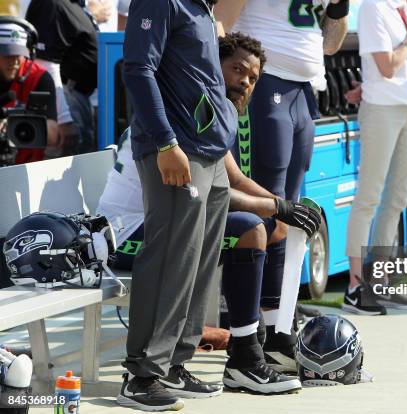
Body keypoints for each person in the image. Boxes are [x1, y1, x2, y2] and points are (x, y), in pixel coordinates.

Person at [101, 33, 320, 395]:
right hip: (123, 237)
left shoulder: (211, 114)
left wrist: (285, 210)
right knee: (250, 228)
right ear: (210, 68)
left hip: (168, 225)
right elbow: (210, 193)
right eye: (236, 70)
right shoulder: (187, 110)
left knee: (261, 227)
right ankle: (235, 359)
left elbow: (233, 179)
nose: (244, 82)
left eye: (252, 78)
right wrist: (278, 206)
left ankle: (254, 351)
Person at [116, 0, 245, 409]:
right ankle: (141, 374)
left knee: (198, 262)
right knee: (172, 255)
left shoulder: (203, 8)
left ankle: (174, 363)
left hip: (208, 150)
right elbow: (138, 68)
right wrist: (165, 143)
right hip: (176, 149)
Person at [214, 0, 349, 373]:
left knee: (290, 212)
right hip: (264, 84)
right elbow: (220, 25)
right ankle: (251, 329)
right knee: (266, 207)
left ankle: (278, 324)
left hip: (304, 89)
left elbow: (331, 43)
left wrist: (338, 8)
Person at [340, 0, 407, 315]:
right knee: (369, 197)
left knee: (397, 199)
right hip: (382, 110)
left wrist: (367, 84)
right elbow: (388, 66)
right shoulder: (375, 7)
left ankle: (380, 281)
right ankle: (355, 287)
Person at [26, 0, 98, 154]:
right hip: (65, 98)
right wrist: (64, 118)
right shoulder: (51, 4)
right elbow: (44, 64)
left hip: (78, 98)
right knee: (63, 169)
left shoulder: (72, 4)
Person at [0, 19, 58, 164]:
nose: (13, 61)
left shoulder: (40, 78)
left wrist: (14, 124)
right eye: (7, 54)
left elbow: (52, 136)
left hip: (26, 167)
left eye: (18, 54)